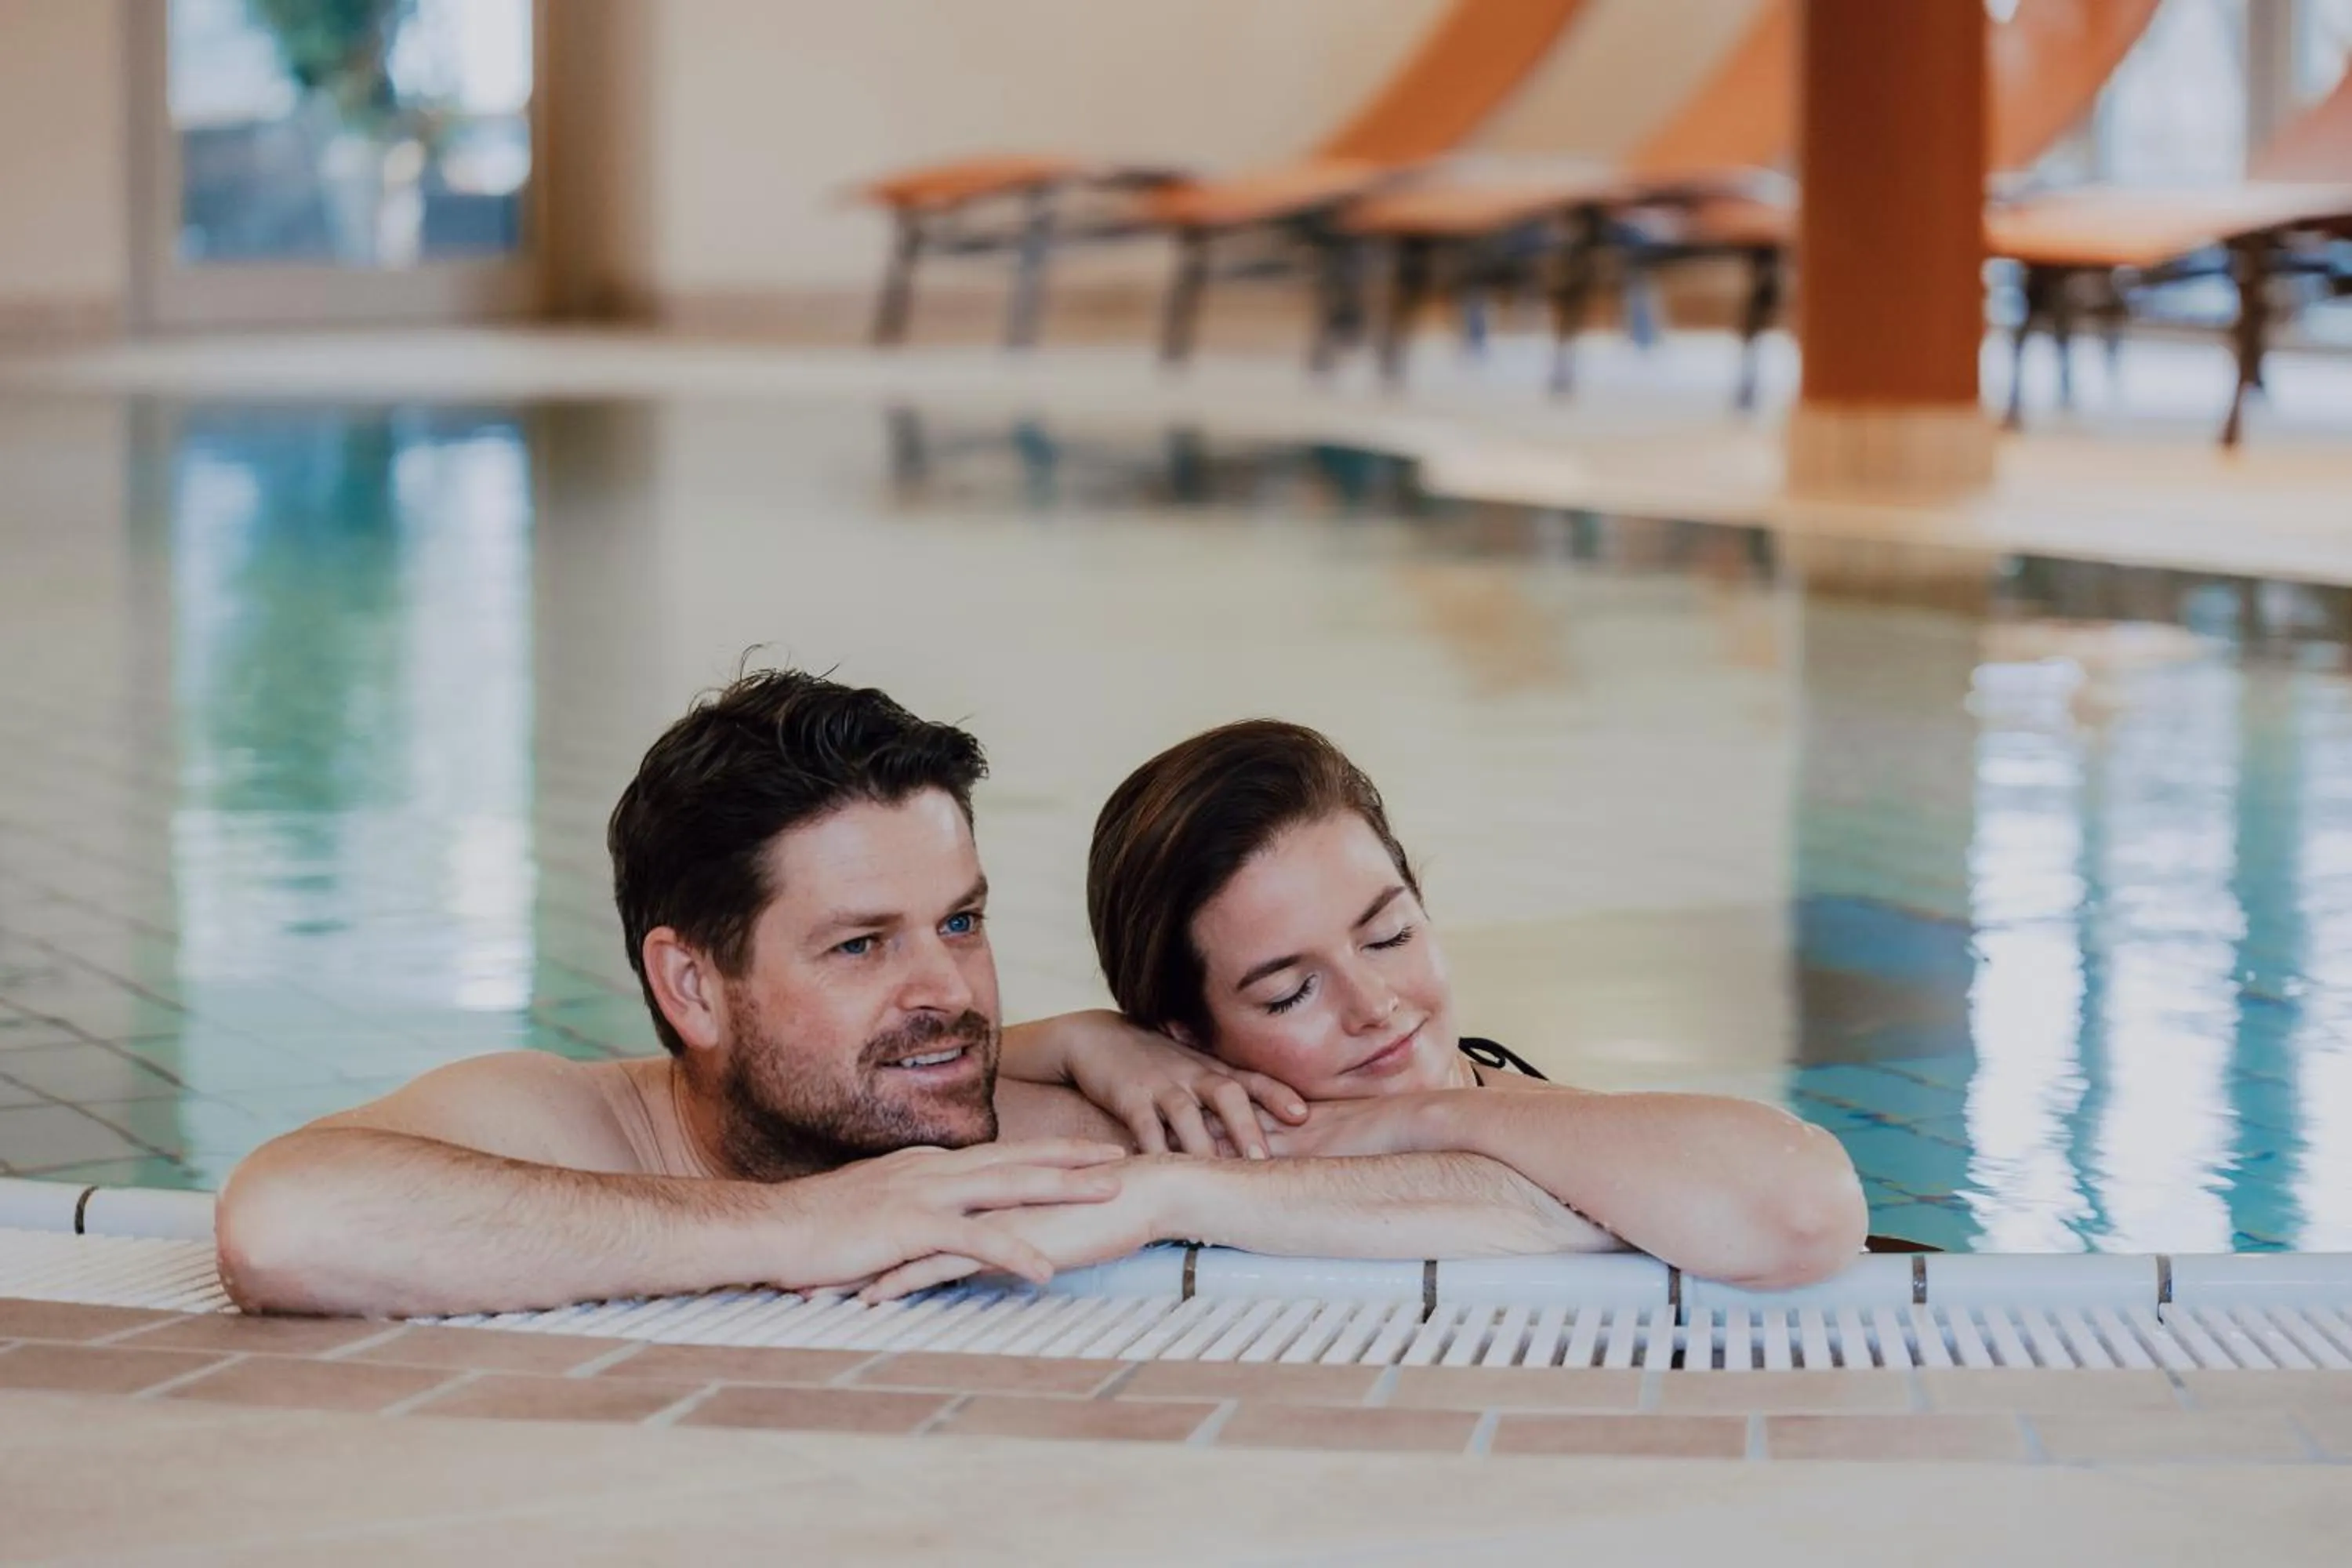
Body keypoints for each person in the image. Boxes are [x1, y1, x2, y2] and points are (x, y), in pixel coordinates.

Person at [215, 672, 1606, 1319]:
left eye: (962, 920)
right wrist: (789, 1232)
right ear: (691, 984)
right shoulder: (570, 1127)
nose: (951, 993)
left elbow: (1522, 1189)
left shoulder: (1035, 1132)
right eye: (861, 946)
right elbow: (286, 1220)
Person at [1000, 719, 1867, 1288]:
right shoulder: (1171, 1121)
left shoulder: (1533, 1125)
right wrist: (1081, 1042)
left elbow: (1802, 1210)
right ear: (1185, 1033)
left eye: (1388, 935)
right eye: (1290, 990)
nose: (1375, 1003)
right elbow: (877, 1111)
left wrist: (1423, 1117)